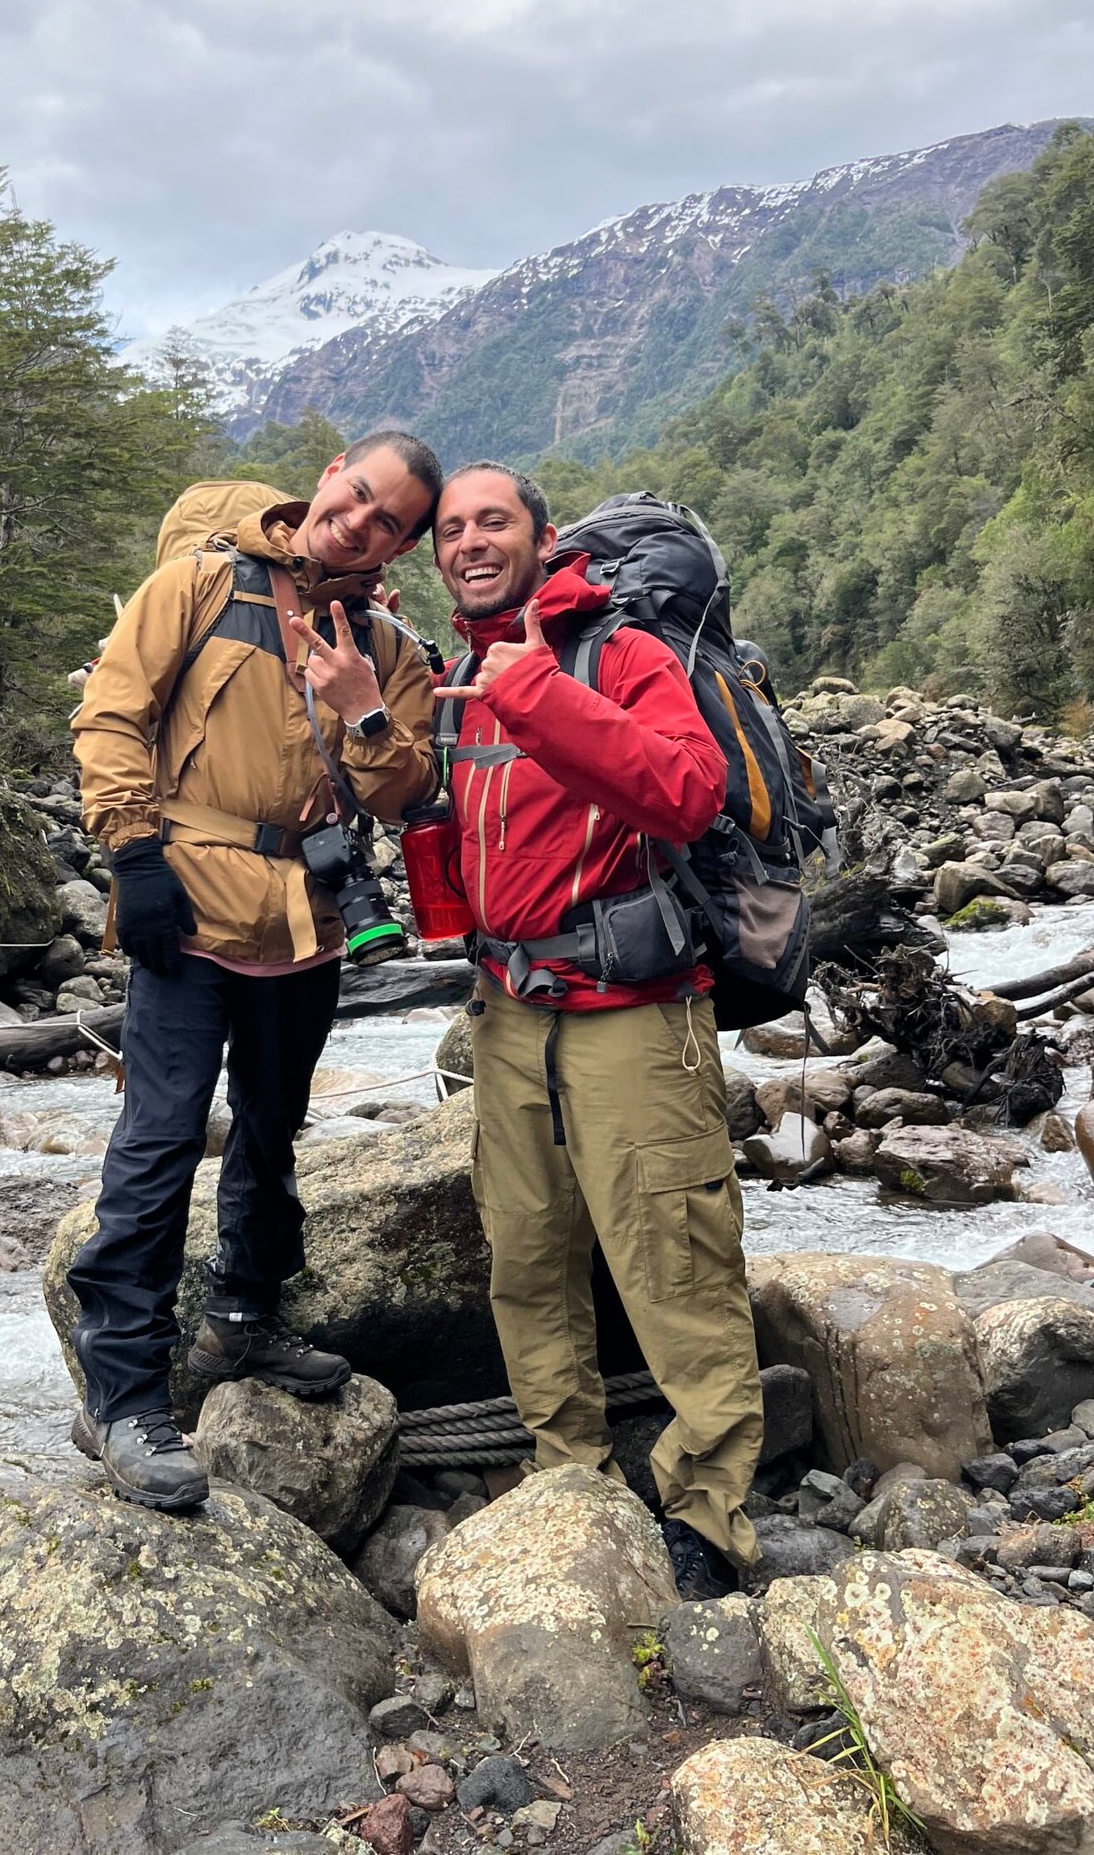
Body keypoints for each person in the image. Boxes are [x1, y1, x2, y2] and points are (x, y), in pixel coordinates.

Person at [68, 432, 443, 1510]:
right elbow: (112, 715)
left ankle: (242, 1319)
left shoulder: (384, 642)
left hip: (307, 924)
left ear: (400, 545)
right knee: (159, 1139)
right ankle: (126, 1392)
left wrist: (363, 703)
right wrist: (133, 856)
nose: (359, 523)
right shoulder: (194, 585)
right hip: (181, 909)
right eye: (357, 496)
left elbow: (402, 791)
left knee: (273, 1132)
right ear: (328, 475)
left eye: (388, 522)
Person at [431, 461, 762, 1597]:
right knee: (525, 1257)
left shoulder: (614, 652)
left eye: (492, 522)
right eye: (451, 528)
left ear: (540, 536)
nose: (470, 542)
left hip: (634, 1012)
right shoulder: (459, 675)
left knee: (672, 1253)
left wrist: (537, 693)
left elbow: (685, 790)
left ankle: (712, 1514)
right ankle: (567, 1474)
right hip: (506, 1011)